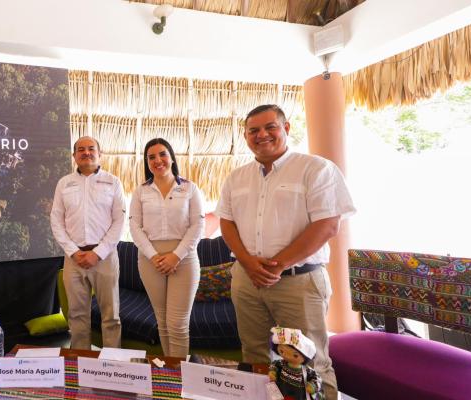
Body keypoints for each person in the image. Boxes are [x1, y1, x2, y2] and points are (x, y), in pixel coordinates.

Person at [215, 104, 355, 400]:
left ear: (286, 128)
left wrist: (276, 265)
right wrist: (248, 263)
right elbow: (226, 223)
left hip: (298, 283)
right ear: (245, 136)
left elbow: (328, 225)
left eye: (270, 127)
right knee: (254, 356)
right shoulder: (236, 178)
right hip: (246, 281)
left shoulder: (316, 169)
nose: (262, 135)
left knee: (310, 361)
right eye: (253, 130)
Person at [129, 138, 204, 357]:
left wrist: (176, 256)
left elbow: (197, 224)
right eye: (151, 157)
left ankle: (181, 376)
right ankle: (169, 377)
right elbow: (134, 226)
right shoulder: (140, 191)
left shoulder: (189, 188)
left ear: (171, 157)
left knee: (178, 323)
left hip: (185, 259)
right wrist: (153, 257)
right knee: (162, 321)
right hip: (149, 260)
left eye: (162, 154)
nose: (157, 160)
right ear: (146, 162)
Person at [50, 136, 126, 349]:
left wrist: (98, 253)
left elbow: (119, 221)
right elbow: (56, 220)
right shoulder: (64, 184)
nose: (86, 152)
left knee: (111, 316)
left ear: (99, 154)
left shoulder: (113, 182)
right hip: (73, 259)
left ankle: (113, 367)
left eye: (91, 148)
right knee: (76, 315)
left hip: (105, 257)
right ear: (74, 156)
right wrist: (73, 252)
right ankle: (81, 365)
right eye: (81, 149)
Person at [268, 327, 324, 400]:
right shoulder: (281, 363)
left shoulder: (307, 371)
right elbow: (274, 365)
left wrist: (313, 386)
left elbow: (317, 378)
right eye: (282, 351)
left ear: (305, 357)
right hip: (281, 393)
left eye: (295, 355)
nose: (286, 356)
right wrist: (273, 371)